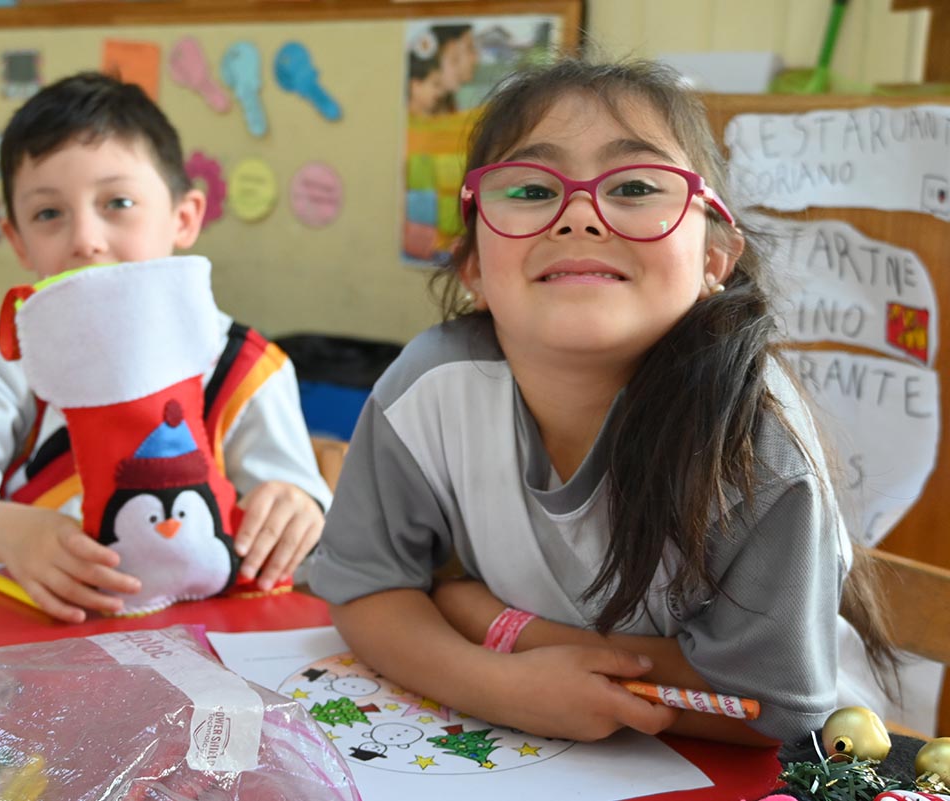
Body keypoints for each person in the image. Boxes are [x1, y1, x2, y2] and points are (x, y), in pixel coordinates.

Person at [307, 57, 894, 745]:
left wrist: (500, 626)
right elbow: (364, 586)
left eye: (636, 185)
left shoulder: (756, 443)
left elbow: (771, 706)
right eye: (531, 189)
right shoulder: (427, 388)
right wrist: (498, 686)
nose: (580, 216)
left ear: (715, 257)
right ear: (473, 268)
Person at [0, 72, 330, 624]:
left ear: (184, 218)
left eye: (117, 202)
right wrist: (7, 532)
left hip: (201, 633)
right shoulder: (10, 353)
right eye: (49, 214)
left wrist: (300, 506)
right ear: (18, 241)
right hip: (35, 626)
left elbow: (301, 516)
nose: (86, 240)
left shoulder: (247, 368)